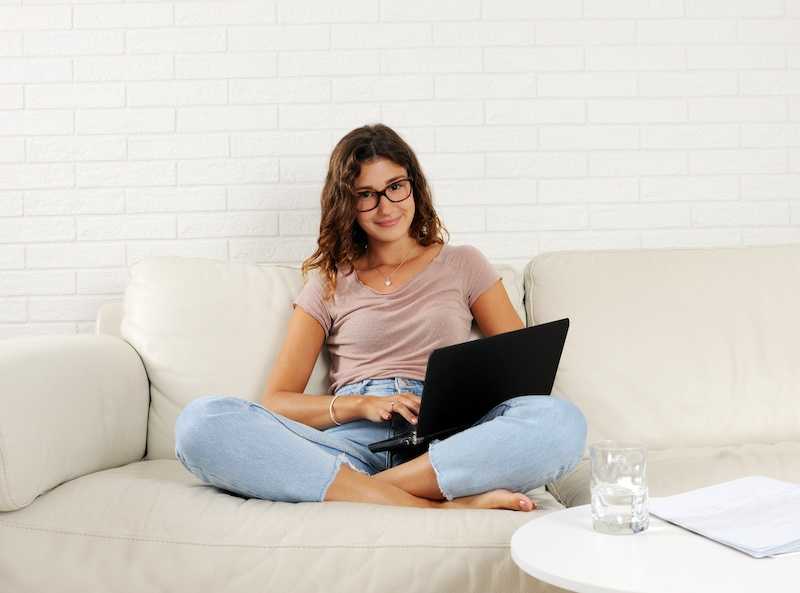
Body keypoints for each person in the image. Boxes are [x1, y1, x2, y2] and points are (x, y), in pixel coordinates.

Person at [174, 124, 587, 512]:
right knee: (202, 422)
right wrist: (363, 404)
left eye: (394, 187)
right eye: (366, 194)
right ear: (347, 204)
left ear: (414, 187)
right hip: (351, 449)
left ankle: (366, 491)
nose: (385, 206)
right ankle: (432, 504)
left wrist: (457, 406)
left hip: (448, 441)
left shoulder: (463, 264)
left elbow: (523, 377)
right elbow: (278, 402)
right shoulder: (329, 282)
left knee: (561, 421)